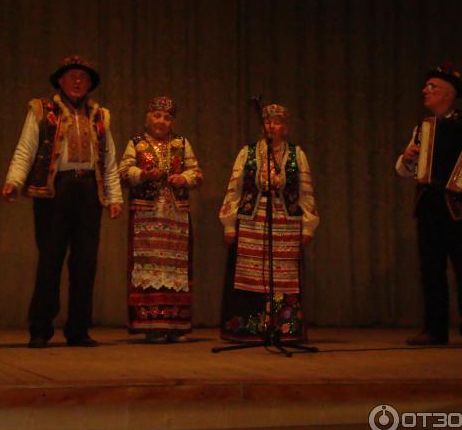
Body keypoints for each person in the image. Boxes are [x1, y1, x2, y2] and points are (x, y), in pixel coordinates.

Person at [2, 55, 123, 348]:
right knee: (50, 259)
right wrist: (14, 180)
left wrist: (114, 196)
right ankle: (40, 328)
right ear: (60, 81)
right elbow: (26, 148)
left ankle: (78, 329)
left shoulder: (99, 116)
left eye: (83, 77)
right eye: (72, 76)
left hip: (88, 192)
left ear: (90, 83)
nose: (78, 81)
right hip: (55, 191)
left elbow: (108, 159)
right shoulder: (43, 111)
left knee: (86, 262)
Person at [395, 63, 462, 347]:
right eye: (426, 86)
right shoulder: (422, 128)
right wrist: (406, 157)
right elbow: (403, 170)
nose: (425, 91)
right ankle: (434, 329)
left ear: (449, 95)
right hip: (429, 204)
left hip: (460, 205)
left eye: (433, 87)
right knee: (431, 268)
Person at [218, 103, 319, 342]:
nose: (271, 126)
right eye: (267, 122)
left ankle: (283, 327)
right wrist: (229, 223)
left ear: (285, 127)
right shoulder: (248, 152)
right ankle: (249, 327)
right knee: (250, 273)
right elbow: (235, 188)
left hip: (285, 221)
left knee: (283, 276)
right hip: (253, 221)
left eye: (277, 122)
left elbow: (306, 192)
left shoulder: (297, 155)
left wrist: (308, 226)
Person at [118, 96, 203, 343]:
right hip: (147, 214)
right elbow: (123, 172)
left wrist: (184, 179)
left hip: (175, 215)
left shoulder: (181, 143)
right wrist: (143, 175)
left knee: (175, 267)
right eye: (157, 116)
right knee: (149, 265)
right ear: (148, 118)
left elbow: (196, 172)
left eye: (167, 117)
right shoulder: (136, 143)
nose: (161, 121)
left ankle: (176, 325)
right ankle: (151, 325)